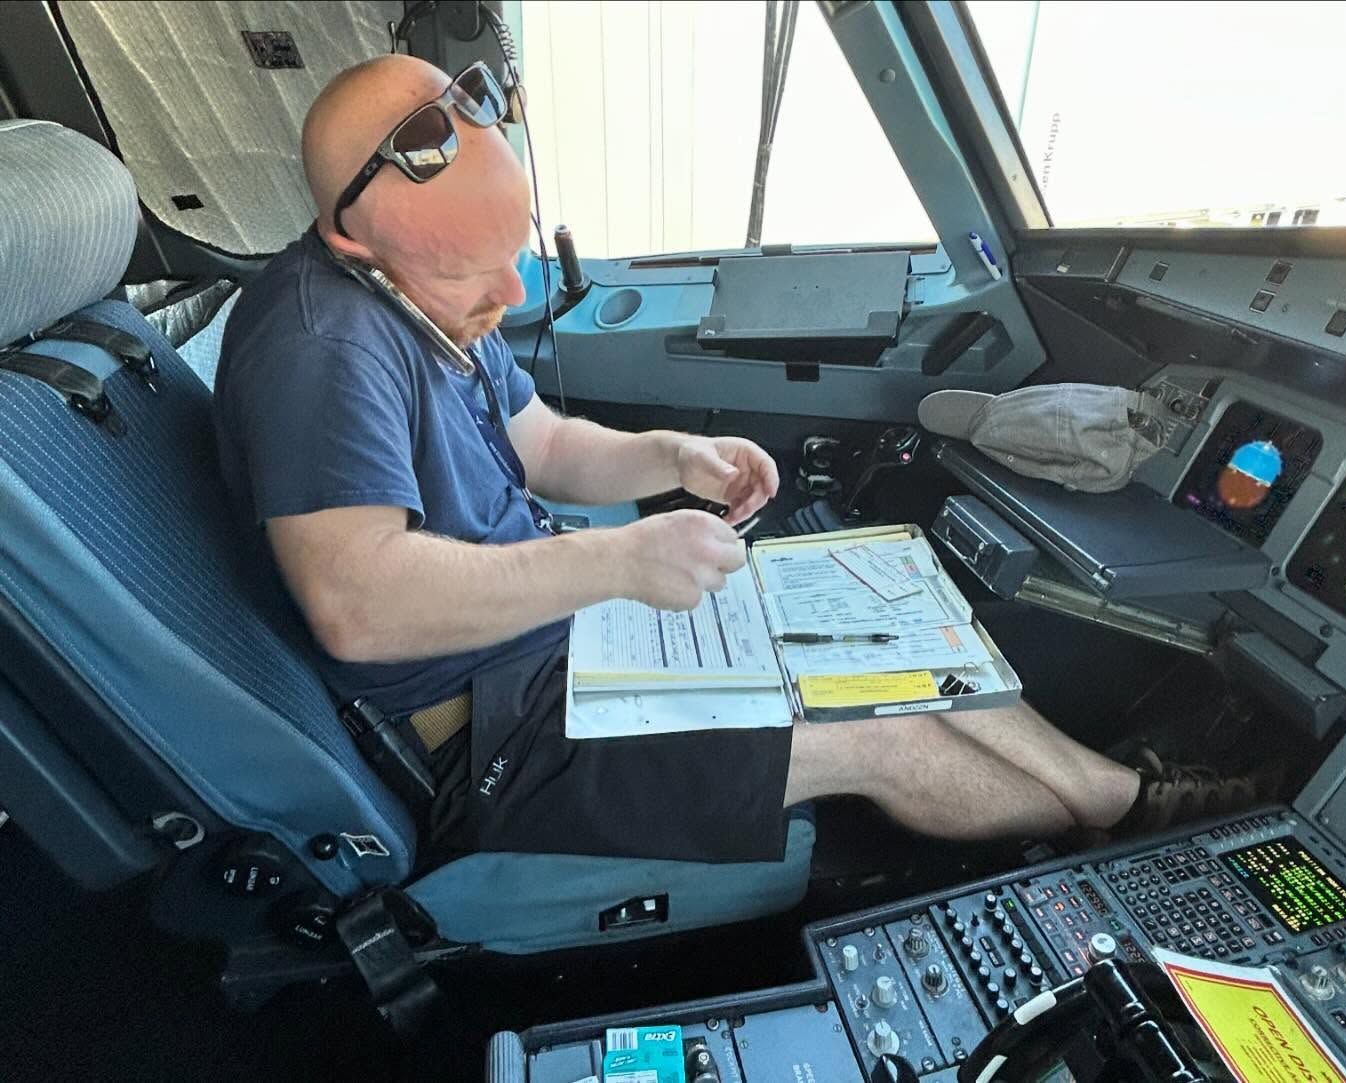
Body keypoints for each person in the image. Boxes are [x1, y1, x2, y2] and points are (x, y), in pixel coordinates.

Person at [214, 55, 1249, 866]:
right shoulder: (322, 348)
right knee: (879, 733)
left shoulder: (426, 285)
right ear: (359, 247)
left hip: (550, 640)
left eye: (516, 253)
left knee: (888, 623)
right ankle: (1126, 833)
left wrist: (673, 454)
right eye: (478, 275)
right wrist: (614, 565)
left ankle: (1124, 804)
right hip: (490, 733)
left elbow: (540, 445)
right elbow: (359, 603)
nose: (515, 298)